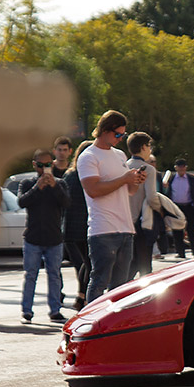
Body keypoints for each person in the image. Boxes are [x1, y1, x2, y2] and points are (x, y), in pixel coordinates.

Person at [79, 110, 144, 304]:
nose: (120, 139)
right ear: (104, 130)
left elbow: (130, 191)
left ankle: (114, 330)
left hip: (125, 227)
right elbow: (93, 190)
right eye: (117, 135)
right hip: (103, 230)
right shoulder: (88, 156)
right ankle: (91, 325)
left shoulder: (120, 155)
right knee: (99, 282)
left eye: (122, 135)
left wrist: (135, 180)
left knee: (122, 287)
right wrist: (124, 178)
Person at [16, 149, 69, 323]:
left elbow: (66, 203)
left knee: (54, 274)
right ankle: (27, 310)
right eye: (40, 165)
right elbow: (22, 202)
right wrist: (37, 188)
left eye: (47, 165)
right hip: (33, 238)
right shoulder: (27, 183)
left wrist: (53, 186)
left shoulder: (60, 183)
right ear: (34, 165)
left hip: (54, 239)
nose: (44, 169)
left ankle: (55, 310)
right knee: (31, 275)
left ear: (52, 164)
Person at [62, 140, 93, 310]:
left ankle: (81, 297)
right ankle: (83, 299)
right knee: (90, 263)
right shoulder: (84, 174)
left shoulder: (69, 174)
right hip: (84, 225)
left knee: (85, 263)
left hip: (70, 228)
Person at [125, 131, 159, 279]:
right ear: (144, 147)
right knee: (145, 266)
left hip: (125, 221)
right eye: (149, 146)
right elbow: (151, 197)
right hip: (142, 220)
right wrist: (161, 209)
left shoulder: (124, 166)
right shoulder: (149, 169)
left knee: (129, 263)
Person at [163, 158, 194, 259]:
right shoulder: (171, 179)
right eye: (179, 167)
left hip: (188, 206)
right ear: (176, 168)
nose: (182, 169)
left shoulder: (192, 179)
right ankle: (180, 252)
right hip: (176, 207)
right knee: (177, 231)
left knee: (191, 230)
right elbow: (166, 193)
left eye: (183, 167)